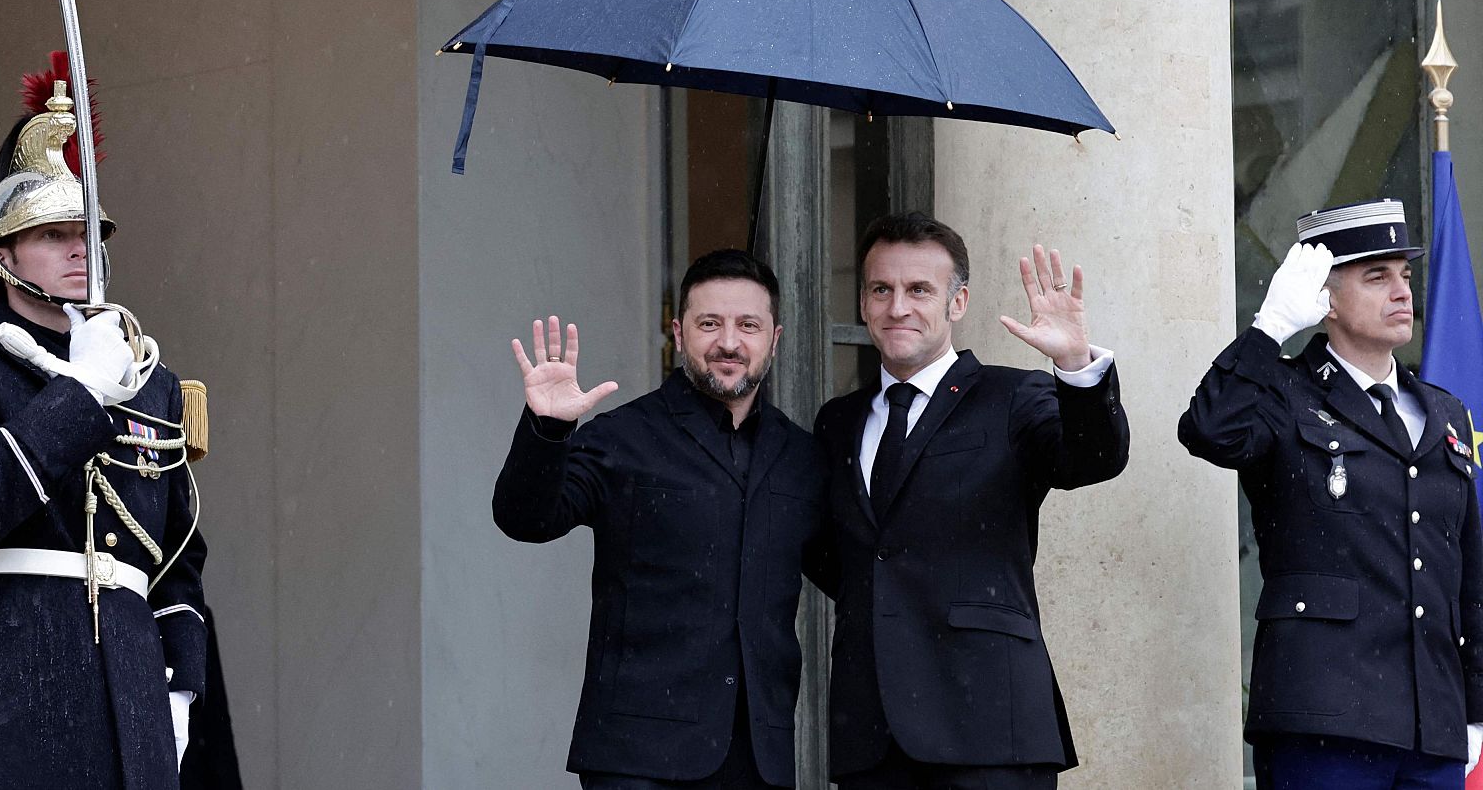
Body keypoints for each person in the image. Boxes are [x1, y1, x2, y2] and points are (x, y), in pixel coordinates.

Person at [0, 58, 209, 790]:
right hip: (7, 666)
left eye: (87, 232)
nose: (78, 248)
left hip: (131, 681)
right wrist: (80, 396)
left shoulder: (152, 381)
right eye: (53, 234)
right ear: (1, 253)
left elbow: (178, 555)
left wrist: (182, 681)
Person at [493, 249, 833, 790]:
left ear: (775, 339)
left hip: (757, 759)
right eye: (709, 323)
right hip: (636, 757)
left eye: (748, 326)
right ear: (678, 333)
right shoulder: (624, 436)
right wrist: (548, 429)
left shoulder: (800, 456)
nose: (729, 342)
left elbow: (851, 572)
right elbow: (525, 518)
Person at [813, 211, 1129, 790]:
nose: (898, 307)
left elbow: (1093, 459)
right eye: (881, 290)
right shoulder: (838, 421)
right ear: (862, 303)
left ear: (957, 303)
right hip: (873, 732)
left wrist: (1074, 366)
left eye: (919, 290)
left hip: (990, 726)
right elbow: (838, 555)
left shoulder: (1013, 396)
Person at [1180, 198, 1483, 789]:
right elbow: (1209, 430)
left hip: (1433, 726)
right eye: (1377, 277)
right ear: (1326, 299)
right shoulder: (1284, 393)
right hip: (1324, 718)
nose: (1402, 292)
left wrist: (1475, 704)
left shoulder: (1443, 410)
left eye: (1405, 275)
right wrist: (1268, 330)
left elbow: (1468, 573)